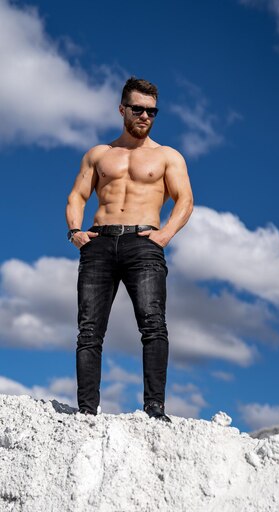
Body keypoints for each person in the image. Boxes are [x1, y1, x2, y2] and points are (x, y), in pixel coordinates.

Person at [65, 76, 193, 422]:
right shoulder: (99, 155)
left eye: (152, 111)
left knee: (154, 326)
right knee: (89, 330)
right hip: (99, 241)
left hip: (144, 243)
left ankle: (154, 409)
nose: (145, 116)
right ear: (122, 109)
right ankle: (86, 412)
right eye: (138, 109)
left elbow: (185, 200)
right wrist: (75, 232)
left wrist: (164, 235)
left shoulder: (167, 156)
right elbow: (77, 195)